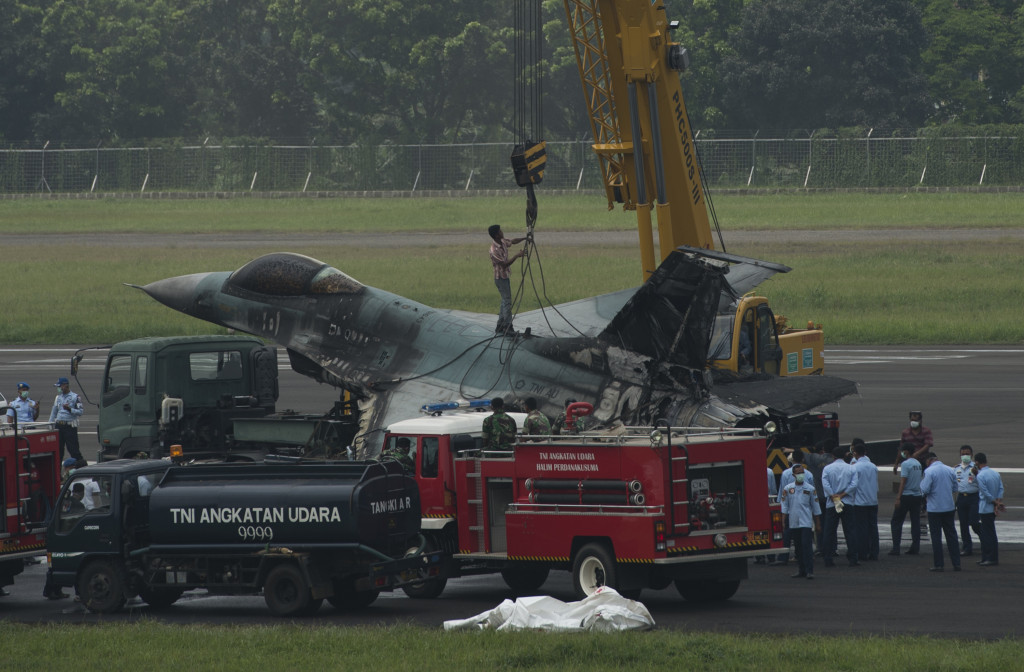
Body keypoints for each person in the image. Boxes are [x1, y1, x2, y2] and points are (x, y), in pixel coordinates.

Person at [920, 452, 961, 571]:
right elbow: (955, 488)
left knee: (936, 537)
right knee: (952, 536)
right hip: (949, 507)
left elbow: (924, 489)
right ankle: (956, 563)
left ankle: (939, 564)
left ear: (928, 461)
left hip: (935, 508)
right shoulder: (950, 470)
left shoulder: (929, 472)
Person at [778, 464, 821, 579]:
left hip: (806, 522)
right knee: (798, 547)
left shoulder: (810, 489)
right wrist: (783, 521)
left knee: (806, 546)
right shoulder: (787, 489)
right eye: (798, 473)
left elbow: (815, 507)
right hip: (793, 522)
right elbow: (785, 506)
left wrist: (817, 523)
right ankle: (801, 570)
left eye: (802, 472)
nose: (801, 475)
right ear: (793, 475)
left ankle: (809, 570)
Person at [821, 445, 859, 567]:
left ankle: (828, 558)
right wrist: (842, 495)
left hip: (832, 503)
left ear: (833, 456)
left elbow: (825, 484)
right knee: (850, 531)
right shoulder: (851, 468)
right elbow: (854, 484)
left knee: (829, 532)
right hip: (847, 502)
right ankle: (853, 558)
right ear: (845, 456)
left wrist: (833, 496)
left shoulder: (827, 468)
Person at [488, 224, 527, 335]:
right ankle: (508, 327)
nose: (502, 232)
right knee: (507, 301)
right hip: (500, 278)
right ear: (496, 235)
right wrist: (517, 255)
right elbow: (504, 264)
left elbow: (513, 241)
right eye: (500, 231)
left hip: (505, 276)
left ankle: (500, 325)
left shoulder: (502, 241)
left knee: (504, 300)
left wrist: (525, 238)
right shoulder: (494, 250)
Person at [889, 442, 923, 555]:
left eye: (903, 450)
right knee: (915, 522)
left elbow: (903, 481)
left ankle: (896, 548)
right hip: (917, 496)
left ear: (907, 451)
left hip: (906, 496)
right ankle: (915, 547)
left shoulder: (905, 464)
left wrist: (898, 497)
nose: (901, 453)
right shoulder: (918, 464)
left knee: (896, 522)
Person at [973, 452, 1004, 567]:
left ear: (977, 462)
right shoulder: (995, 473)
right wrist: (998, 502)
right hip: (992, 507)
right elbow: (1000, 489)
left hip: (985, 507)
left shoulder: (981, 475)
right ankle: (987, 557)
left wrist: (994, 502)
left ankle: (990, 558)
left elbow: (985, 493)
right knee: (990, 533)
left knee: (987, 534)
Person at [850, 439, 879, 561]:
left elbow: (853, 485)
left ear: (855, 453)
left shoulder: (855, 467)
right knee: (873, 527)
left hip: (860, 502)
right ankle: (874, 552)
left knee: (861, 528)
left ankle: (863, 552)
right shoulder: (873, 466)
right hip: (873, 500)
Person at [48, 377, 85, 464]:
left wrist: (70, 409)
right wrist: (50, 424)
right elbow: (54, 412)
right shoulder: (58, 397)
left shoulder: (75, 397)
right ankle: (58, 474)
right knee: (58, 451)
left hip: (69, 426)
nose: (59, 388)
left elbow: (80, 412)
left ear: (65, 385)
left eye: (60, 386)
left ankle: (80, 468)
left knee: (73, 450)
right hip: (59, 426)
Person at [954, 444, 981, 557]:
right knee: (963, 524)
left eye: (967, 454)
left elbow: (983, 481)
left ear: (972, 455)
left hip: (974, 497)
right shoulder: (956, 469)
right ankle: (967, 547)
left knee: (974, 522)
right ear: (960, 455)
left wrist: (977, 474)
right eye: (963, 454)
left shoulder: (976, 467)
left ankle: (984, 539)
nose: (965, 456)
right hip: (961, 497)